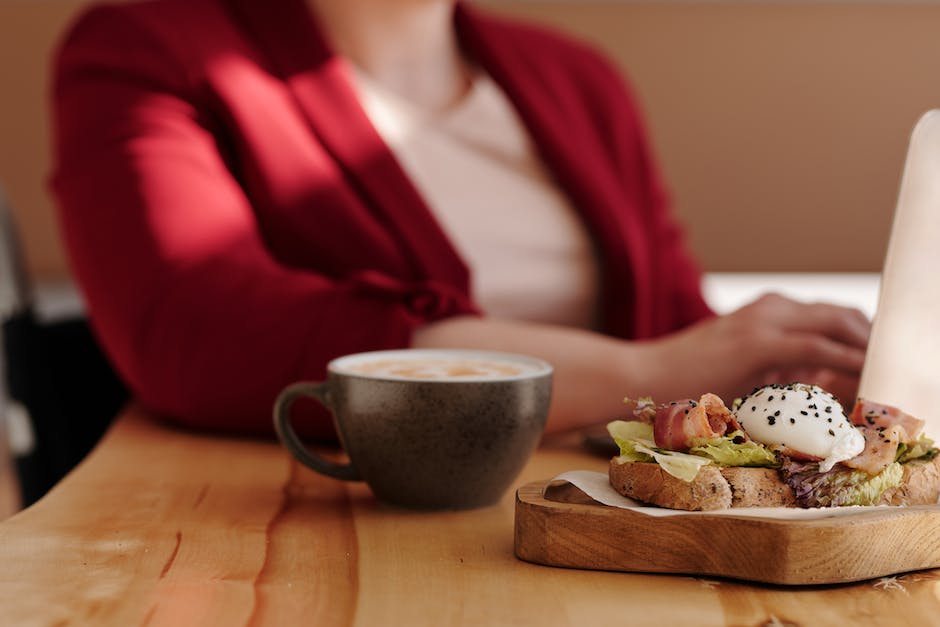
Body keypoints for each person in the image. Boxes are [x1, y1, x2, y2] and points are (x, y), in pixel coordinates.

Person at [50, 0, 870, 438]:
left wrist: (783, 368)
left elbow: (678, 330)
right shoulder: (144, 48)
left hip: (596, 532)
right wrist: (647, 375)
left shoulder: (578, 79)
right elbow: (197, 329)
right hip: (319, 534)